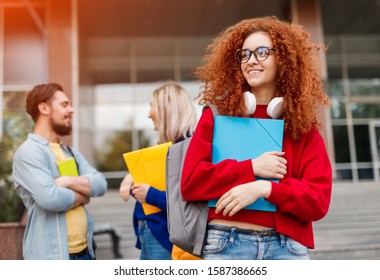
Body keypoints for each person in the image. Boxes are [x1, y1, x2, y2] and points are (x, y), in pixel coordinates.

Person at [181, 16, 333, 260]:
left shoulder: (303, 128)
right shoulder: (216, 116)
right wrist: (251, 168)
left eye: (262, 52)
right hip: (226, 243)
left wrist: (265, 188)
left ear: (283, 60)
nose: (251, 60)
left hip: (287, 248)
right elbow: (190, 182)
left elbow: (318, 201)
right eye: (245, 54)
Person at [12, 83, 107, 260]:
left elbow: (100, 184)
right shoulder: (29, 152)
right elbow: (51, 198)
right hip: (54, 258)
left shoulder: (70, 152)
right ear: (44, 108)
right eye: (64, 104)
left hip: (86, 253)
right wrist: (83, 196)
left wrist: (67, 181)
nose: (71, 110)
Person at [119, 82, 198, 260]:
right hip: (151, 236)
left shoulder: (189, 149)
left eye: (151, 106)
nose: (148, 114)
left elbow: (191, 204)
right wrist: (133, 180)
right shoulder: (165, 150)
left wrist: (150, 195)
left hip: (166, 241)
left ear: (166, 110)